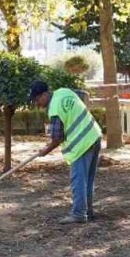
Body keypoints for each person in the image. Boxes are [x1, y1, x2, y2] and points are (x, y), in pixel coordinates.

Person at [31, 80, 103, 225]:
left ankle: (78, 214)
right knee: (87, 180)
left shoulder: (55, 109)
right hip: (94, 135)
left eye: (37, 99)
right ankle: (87, 211)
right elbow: (82, 96)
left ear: (45, 94)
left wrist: (45, 150)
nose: (37, 103)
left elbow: (57, 138)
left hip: (81, 145)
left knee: (78, 181)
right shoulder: (64, 91)